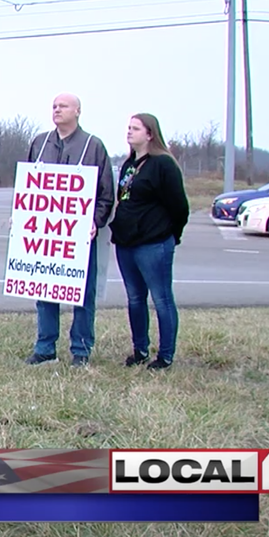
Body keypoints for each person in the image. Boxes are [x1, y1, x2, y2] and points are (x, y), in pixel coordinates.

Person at [22, 93, 116, 367]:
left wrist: (95, 222)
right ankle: (45, 347)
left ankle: (81, 350)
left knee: (83, 295)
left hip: (78, 237)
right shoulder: (40, 143)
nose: (57, 110)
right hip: (45, 237)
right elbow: (29, 186)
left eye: (63, 106)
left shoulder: (93, 146)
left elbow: (105, 193)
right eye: (53, 106)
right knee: (44, 290)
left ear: (77, 111)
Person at [109, 113, 189, 370]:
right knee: (134, 297)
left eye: (135, 128)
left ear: (150, 134)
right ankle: (140, 349)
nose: (129, 132)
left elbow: (180, 207)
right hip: (126, 242)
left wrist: (171, 235)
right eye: (128, 128)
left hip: (153, 243)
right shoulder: (128, 165)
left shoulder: (163, 164)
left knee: (161, 298)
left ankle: (165, 355)